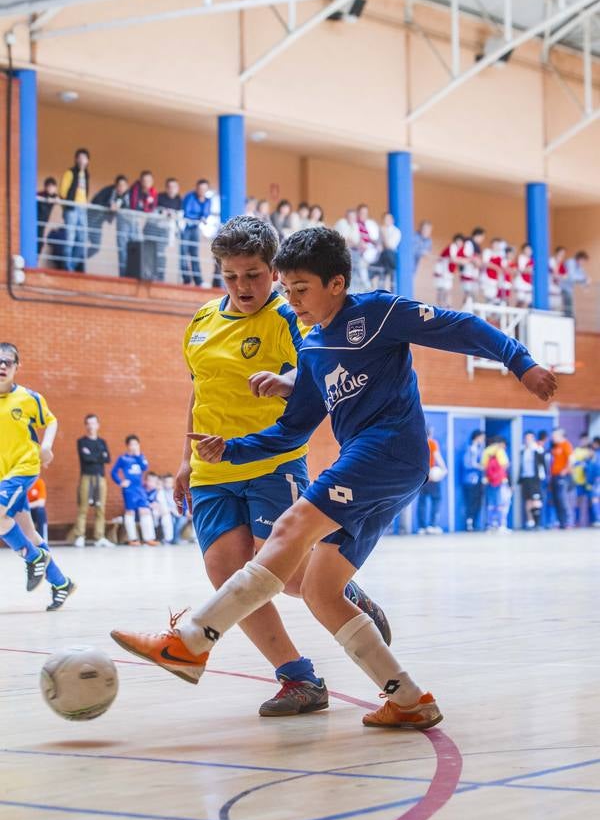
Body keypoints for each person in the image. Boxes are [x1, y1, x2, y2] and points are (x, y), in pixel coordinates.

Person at [112, 226, 556, 731]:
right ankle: (409, 698)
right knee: (322, 590)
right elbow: (290, 429)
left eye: (300, 289)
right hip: (371, 466)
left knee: (288, 531)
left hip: (389, 449)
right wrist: (228, 449)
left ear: (337, 284)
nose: (291, 299)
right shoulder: (316, 347)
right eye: (287, 289)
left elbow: (462, 326)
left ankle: (192, 641)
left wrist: (521, 362)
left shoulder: (378, 312)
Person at [116, 217, 390, 717]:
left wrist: (284, 378)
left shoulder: (291, 316)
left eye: (255, 274)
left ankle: (340, 591)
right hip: (211, 469)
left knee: (284, 574)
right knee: (226, 575)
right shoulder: (201, 322)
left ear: (274, 270)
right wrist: (184, 460)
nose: (243, 286)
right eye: (231, 276)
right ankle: (299, 679)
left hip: (271, 461)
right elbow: (199, 392)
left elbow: (314, 370)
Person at [0, 342, 76, 610]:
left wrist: (46, 447)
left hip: (24, 467)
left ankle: (32, 559)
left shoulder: (28, 398)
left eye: (7, 362)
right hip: (3, 473)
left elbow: (51, 420)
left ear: (16, 367)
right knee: (29, 532)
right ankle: (61, 583)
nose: (2, 366)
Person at [69, 414, 112, 548]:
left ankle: (99, 537)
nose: (91, 426)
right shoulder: (82, 441)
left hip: (100, 478)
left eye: (93, 423)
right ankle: (80, 536)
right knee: (83, 508)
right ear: (86, 425)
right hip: (86, 477)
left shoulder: (102, 442)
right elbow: (87, 459)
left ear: (98, 425)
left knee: (100, 508)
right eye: (88, 423)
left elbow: (108, 459)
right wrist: (99, 455)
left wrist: (93, 455)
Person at [110, 435, 159, 546]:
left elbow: (145, 467)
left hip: (140, 489)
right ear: (127, 446)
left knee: (145, 510)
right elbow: (113, 472)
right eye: (131, 444)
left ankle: (149, 538)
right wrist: (120, 482)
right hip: (129, 490)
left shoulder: (141, 457)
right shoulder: (123, 458)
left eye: (136, 444)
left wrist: (138, 455)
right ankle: (132, 539)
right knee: (130, 512)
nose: (133, 446)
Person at [88, 175, 130, 267]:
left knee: (95, 248)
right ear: (115, 185)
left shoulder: (125, 198)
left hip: (98, 224)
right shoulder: (108, 191)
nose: (121, 188)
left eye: (124, 186)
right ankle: (74, 263)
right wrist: (109, 205)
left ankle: (79, 260)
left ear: (127, 187)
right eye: (119, 185)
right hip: (90, 219)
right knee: (80, 242)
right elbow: (96, 200)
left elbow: (126, 208)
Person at [59, 148, 90, 272]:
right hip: (71, 208)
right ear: (76, 159)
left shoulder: (86, 175)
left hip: (82, 209)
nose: (82, 160)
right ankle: (66, 266)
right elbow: (62, 191)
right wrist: (66, 206)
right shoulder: (70, 173)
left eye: (85, 158)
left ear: (88, 161)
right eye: (80, 157)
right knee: (70, 237)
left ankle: (71, 265)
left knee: (82, 238)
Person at [416, 425, 447, 535]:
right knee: (436, 500)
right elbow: (437, 456)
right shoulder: (432, 443)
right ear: (430, 433)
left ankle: (422, 527)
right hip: (432, 477)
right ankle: (432, 525)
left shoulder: (418, 443)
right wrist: (444, 469)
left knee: (422, 502)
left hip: (421, 477)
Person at [181, 179, 211, 286]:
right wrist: (199, 217)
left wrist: (202, 217)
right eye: (200, 188)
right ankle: (186, 280)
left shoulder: (207, 200)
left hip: (196, 228)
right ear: (196, 188)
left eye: (204, 189)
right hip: (186, 227)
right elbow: (187, 212)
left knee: (195, 254)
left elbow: (206, 213)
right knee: (183, 253)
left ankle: (198, 281)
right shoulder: (190, 196)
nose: (202, 191)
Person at [482, 437, 511, 531]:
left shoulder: (486, 451)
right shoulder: (500, 451)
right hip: (499, 481)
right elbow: (505, 465)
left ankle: (490, 524)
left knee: (490, 503)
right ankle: (501, 525)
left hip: (489, 480)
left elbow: (483, 466)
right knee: (501, 502)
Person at [518, 432, 546, 529]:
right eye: (526, 438)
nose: (528, 440)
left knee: (536, 499)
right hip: (526, 478)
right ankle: (530, 521)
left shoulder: (537, 449)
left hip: (535, 478)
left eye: (530, 438)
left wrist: (543, 476)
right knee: (528, 500)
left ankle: (537, 522)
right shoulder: (522, 450)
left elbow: (543, 464)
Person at [549, 428, 573, 529]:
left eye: (555, 436)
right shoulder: (555, 447)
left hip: (563, 476)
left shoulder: (566, 445)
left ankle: (568, 522)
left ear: (560, 435)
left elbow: (571, 459)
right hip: (554, 476)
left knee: (562, 499)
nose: (553, 438)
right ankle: (561, 522)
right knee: (556, 500)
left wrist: (566, 470)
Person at [462, 429, 485, 531]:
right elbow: (467, 464)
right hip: (470, 481)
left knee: (478, 502)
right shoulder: (470, 449)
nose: (483, 440)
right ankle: (469, 524)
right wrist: (478, 466)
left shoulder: (480, 449)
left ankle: (475, 523)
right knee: (470, 502)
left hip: (479, 481)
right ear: (477, 437)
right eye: (482, 438)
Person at [434, 234, 463, 307]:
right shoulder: (453, 247)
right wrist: (465, 261)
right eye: (460, 241)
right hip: (443, 271)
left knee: (447, 290)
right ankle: (441, 306)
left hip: (448, 272)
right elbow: (453, 259)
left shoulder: (458, 250)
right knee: (442, 290)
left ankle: (446, 306)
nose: (461, 244)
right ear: (457, 240)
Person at [145, 472, 174, 543]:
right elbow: (148, 502)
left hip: (164, 511)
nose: (159, 486)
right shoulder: (151, 492)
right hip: (154, 511)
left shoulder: (163, 492)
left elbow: (165, 504)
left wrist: (165, 510)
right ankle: (154, 536)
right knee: (155, 514)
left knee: (166, 517)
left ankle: (168, 539)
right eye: (157, 484)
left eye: (160, 485)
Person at [570, 433, 593, 527]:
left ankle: (592, 521)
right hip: (579, 480)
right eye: (583, 440)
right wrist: (581, 463)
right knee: (578, 501)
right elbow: (573, 463)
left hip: (589, 481)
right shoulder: (576, 451)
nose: (584, 441)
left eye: (586, 440)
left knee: (592, 500)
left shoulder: (591, 451)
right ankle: (577, 521)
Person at [561, 251, 590, 318]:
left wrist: (586, 284)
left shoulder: (579, 267)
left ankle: (569, 320)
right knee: (568, 309)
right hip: (563, 288)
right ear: (580, 258)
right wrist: (584, 278)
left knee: (570, 309)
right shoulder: (571, 262)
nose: (583, 263)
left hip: (569, 290)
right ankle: (568, 322)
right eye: (583, 261)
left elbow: (583, 277)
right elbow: (572, 277)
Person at [36, 177, 59, 256]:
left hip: (43, 224)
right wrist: (46, 199)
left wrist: (56, 199)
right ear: (46, 187)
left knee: (40, 243)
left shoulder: (54, 196)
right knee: (38, 242)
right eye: (49, 186)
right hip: (36, 222)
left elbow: (60, 198)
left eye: (53, 186)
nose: (51, 188)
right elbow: (37, 196)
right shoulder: (41, 195)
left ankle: (35, 261)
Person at [27, 476, 48, 543]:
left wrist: (27, 506)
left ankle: (42, 540)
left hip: (33, 510)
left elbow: (41, 503)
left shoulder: (39, 482)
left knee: (40, 511)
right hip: (24, 511)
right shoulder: (22, 483)